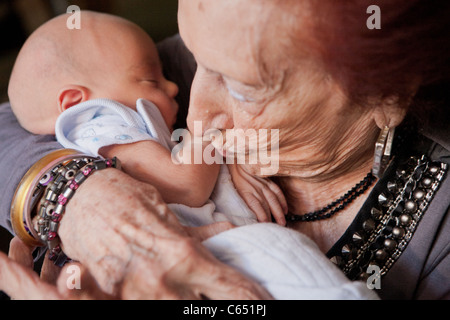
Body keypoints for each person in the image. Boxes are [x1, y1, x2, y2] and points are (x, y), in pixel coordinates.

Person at [0, 0, 449, 300]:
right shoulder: (219, 39)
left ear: (387, 96)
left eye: (243, 89)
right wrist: (76, 195)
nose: (193, 112)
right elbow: (16, 115)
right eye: (195, 59)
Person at [7, 11, 286, 226]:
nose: (174, 87)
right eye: (151, 79)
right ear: (78, 103)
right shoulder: (104, 127)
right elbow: (186, 186)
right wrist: (214, 136)